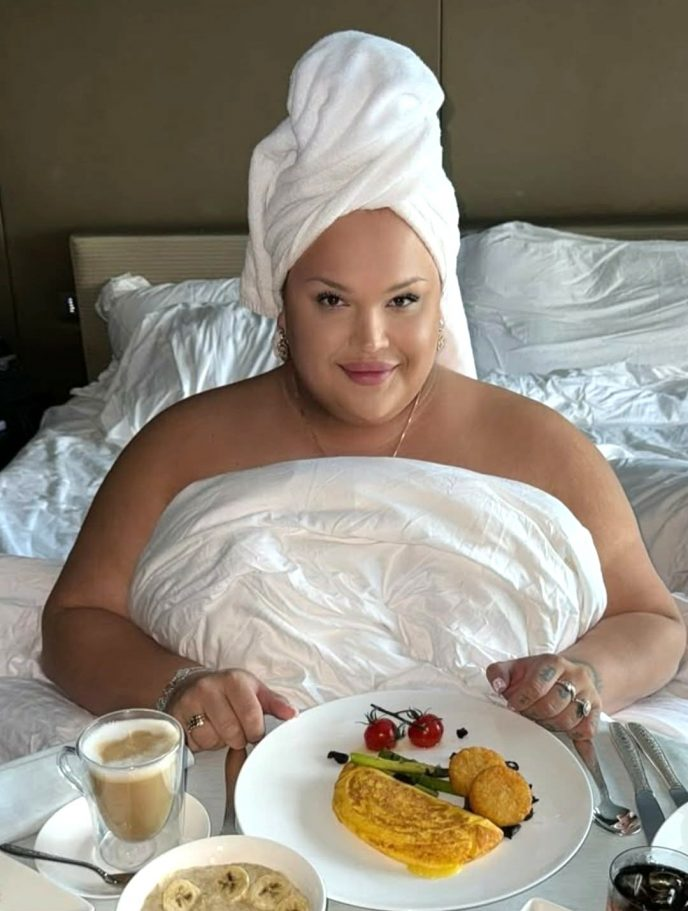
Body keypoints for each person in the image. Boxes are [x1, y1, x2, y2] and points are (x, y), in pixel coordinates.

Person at [41, 32, 684, 757]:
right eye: (331, 300)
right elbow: (73, 620)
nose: (372, 341)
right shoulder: (178, 444)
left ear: (441, 302)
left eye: (403, 300)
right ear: (281, 299)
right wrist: (175, 686)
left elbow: (653, 622)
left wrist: (584, 674)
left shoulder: (544, 446)